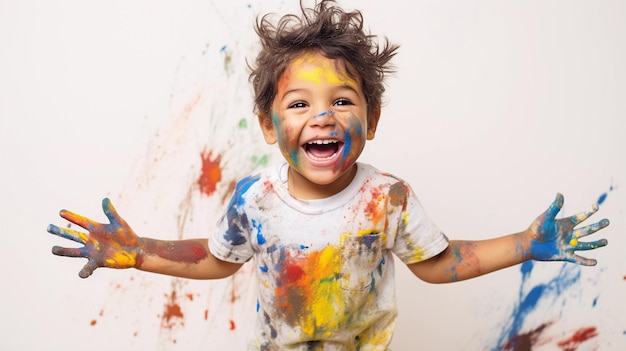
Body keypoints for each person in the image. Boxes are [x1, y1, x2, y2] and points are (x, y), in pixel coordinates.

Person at [47, 1, 610, 350]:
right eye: (298, 104)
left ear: (372, 118)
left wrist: (525, 243)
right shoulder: (255, 200)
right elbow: (219, 259)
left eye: (342, 100)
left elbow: (436, 264)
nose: (322, 115)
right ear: (269, 127)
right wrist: (140, 250)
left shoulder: (388, 197)